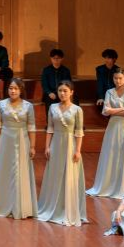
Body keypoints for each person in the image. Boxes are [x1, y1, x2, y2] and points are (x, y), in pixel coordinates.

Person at [37, 81, 87, 227]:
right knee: (55, 174)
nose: (62, 93)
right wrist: (47, 147)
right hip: (56, 145)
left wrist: (78, 150)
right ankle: (53, 206)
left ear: (71, 92)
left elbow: (79, 132)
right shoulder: (52, 107)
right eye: (60, 90)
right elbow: (50, 128)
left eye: (65, 91)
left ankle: (68, 208)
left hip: (71, 145)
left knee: (69, 175)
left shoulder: (77, 110)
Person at [0, 78, 37, 220]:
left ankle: (21, 206)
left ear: (21, 90)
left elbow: (31, 128)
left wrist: (32, 146)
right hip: (5, 140)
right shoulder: (0, 105)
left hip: (23, 140)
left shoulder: (28, 106)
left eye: (16, 88)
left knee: (21, 172)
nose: (13, 91)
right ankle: (4, 204)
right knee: (5, 171)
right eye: (10, 88)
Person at [88, 68, 124, 199]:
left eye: (120, 78)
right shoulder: (109, 92)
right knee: (111, 153)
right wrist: (122, 109)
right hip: (113, 126)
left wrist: (114, 110)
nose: (118, 80)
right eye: (115, 78)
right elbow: (105, 111)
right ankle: (109, 184)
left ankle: (123, 186)